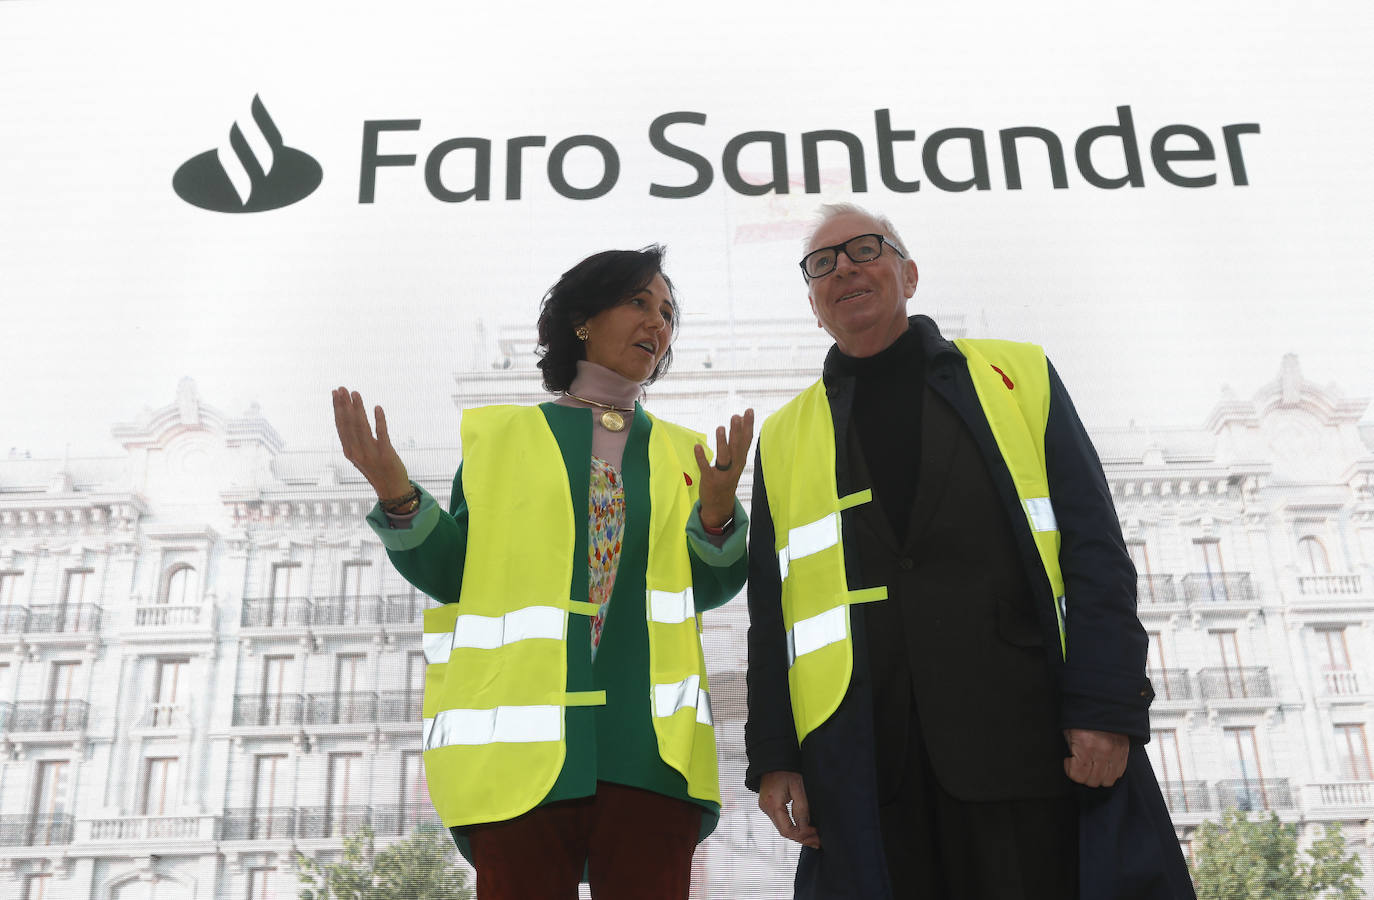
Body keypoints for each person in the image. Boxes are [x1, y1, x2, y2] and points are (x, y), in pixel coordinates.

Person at [744, 204, 1194, 899]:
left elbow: (1096, 555)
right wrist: (775, 756)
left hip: (1024, 744)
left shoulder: (1020, 377)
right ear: (812, 302)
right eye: (821, 263)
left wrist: (1107, 707)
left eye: (866, 249)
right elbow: (773, 618)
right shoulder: (782, 436)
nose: (844, 269)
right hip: (866, 762)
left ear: (909, 273)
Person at [332, 245, 754, 900]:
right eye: (639, 303)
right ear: (583, 319)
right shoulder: (503, 439)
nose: (658, 323)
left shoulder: (686, 453)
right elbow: (457, 575)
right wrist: (398, 495)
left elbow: (712, 585)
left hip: (650, 756)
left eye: (668, 312)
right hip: (519, 765)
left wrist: (720, 516)